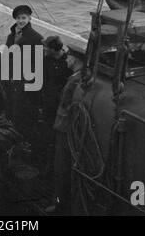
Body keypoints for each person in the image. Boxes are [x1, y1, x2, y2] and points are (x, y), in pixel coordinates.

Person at [48, 44, 85, 215]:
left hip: (64, 128)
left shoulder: (74, 80)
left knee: (61, 167)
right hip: (70, 128)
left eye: (69, 57)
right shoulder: (79, 77)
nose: (67, 59)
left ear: (76, 60)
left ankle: (58, 205)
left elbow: (64, 102)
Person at [4, 5, 44, 145]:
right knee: (12, 112)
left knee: (23, 116)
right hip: (12, 80)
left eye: (23, 18)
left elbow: (38, 66)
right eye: (18, 18)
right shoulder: (12, 36)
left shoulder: (36, 38)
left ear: (29, 18)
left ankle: (23, 144)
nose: (21, 21)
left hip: (26, 84)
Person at [41, 36, 73, 173]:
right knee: (48, 131)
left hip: (60, 104)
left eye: (46, 47)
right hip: (48, 102)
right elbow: (44, 79)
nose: (44, 49)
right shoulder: (46, 60)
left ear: (53, 49)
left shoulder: (67, 62)